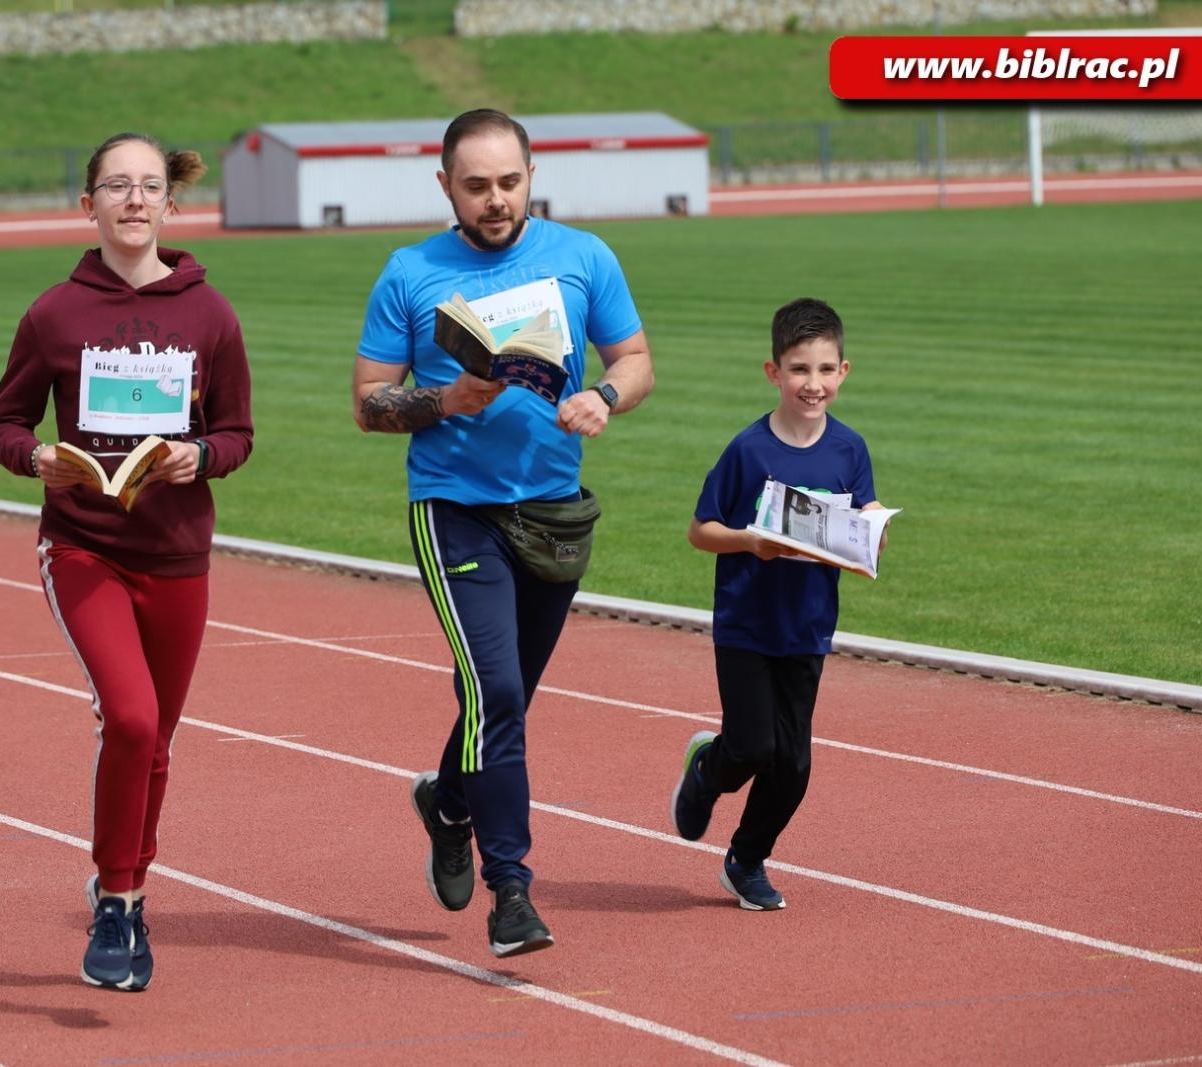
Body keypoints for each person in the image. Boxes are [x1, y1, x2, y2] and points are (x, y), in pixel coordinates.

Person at [352, 108, 654, 958]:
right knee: (499, 693)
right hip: (454, 508)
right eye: (477, 185)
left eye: (510, 182)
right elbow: (369, 403)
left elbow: (635, 360)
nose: (496, 200)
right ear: (445, 186)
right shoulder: (411, 272)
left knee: (501, 696)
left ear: (532, 176)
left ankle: (449, 803)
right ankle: (512, 891)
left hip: (553, 511)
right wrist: (444, 399)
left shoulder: (584, 257)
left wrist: (606, 396)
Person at [0, 131, 254, 989]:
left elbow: (238, 433)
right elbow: (4, 423)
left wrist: (198, 456)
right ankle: (113, 898)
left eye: (148, 186)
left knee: (157, 738)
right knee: (130, 718)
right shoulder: (53, 314)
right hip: (84, 545)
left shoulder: (211, 315)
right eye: (116, 186)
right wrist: (37, 457)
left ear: (170, 204)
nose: (134, 199)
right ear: (89, 204)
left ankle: (132, 894)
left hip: (177, 551)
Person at [672, 297, 887, 910]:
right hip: (746, 622)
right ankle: (708, 769)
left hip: (808, 627)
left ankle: (745, 860)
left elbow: (862, 516)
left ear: (844, 371)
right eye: (799, 370)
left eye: (825, 370)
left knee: (793, 766)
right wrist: (751, 542)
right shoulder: (749, 450)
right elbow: (700, 531)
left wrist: (874, 526)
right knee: (751, 747)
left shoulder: (849, 450)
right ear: (774, 372)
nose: (813, 384)